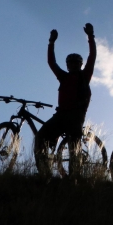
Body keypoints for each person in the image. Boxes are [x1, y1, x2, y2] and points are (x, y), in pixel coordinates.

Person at [34, 23, 96, 178]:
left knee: (74, 147)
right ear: (67, 66)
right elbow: (51, 63)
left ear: (80, 65)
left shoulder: (84, 76)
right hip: (61, 115)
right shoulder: (64, 77)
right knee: (40, 137)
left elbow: (92, 56)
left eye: (76, 63)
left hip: (76, 116)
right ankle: (44, 173)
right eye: (71, 63)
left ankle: (74, 178)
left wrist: (90, 36)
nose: (73, 65)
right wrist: (51, 42)